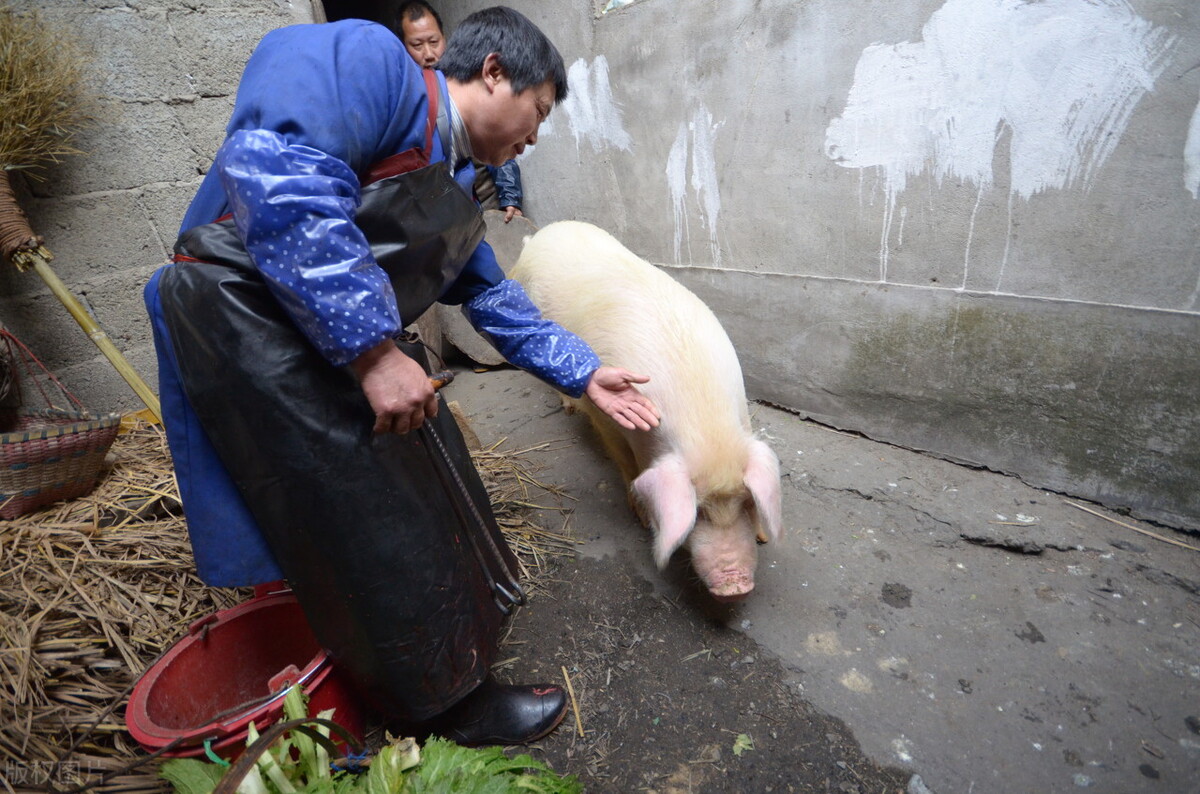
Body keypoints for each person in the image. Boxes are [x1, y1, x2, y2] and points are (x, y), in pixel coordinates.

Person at [143, 7, 659, 746]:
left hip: (301, 325)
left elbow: (487, 293)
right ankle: (442, 706)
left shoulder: (451, 175)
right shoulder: (371, 61)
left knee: (424, 469)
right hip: (244, 315)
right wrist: (376, 353)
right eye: (538, 111)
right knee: (376, 511)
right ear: (492, 73)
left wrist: (583, 374)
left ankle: (400, 658)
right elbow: (274, 171)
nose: (535, 136)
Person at [395, 1, 526, 223]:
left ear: (444, 38)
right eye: (417, 45)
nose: (429, 53)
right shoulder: (403, 99)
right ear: (401, 46)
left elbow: (498, 140)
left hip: (488, 207)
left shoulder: (466, 82)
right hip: (442, 218)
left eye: (434, 42)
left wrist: (510, 198)